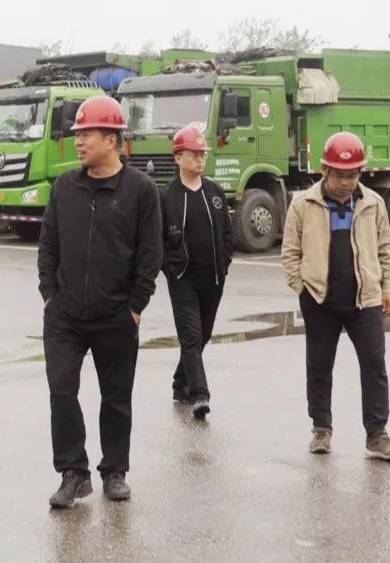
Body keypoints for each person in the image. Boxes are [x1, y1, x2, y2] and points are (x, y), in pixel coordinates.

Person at [38, 96, 162, 508]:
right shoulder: (65, 187)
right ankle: (73, 472)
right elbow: (48, 245)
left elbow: (150, 253)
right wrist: (49, 295)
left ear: (111, 139)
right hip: (65, 315)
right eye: (77, 134)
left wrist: (136, 305)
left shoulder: (141, 191)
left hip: (116, 315)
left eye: (86, 134)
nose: (78, 142)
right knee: (61, 391)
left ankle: (115, 471)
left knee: (116, 397)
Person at [281, 131, 390, 461]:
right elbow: (290, 252)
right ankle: (321, 428)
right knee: (319, 365)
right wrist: (302, 287)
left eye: (353, 175)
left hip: (365, 300)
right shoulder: (303, 204)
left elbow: (385, 250)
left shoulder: (373, 203)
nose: (347, 182)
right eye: (340, 175)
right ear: (324, 170)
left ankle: (377, 435)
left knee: (374, 364)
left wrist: (388, 287)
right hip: (319, 300)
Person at [159, 126, 233, 419]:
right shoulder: (166, 197)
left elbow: (227, 233)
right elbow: (157, 240)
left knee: (202, 334)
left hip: (213, 278)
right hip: (183, 279)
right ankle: (200, 394)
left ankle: (180, 382)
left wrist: (224, 263)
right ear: (178, 157)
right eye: (194, 154)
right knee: (190, 336)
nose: (200, 159)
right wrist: (170, 269)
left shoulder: (215, 193)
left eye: (203, 154)